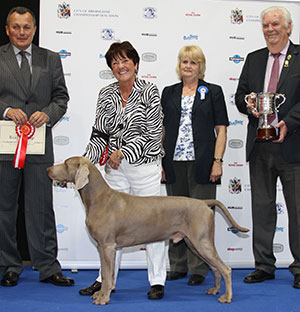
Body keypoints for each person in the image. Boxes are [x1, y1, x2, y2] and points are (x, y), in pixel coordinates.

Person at [81, 41, 167, 300]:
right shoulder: (105, 94)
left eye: (125, 60)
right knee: (109, 229)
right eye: (115, 62)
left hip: (145, 168)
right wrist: (83, 164)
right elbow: (99, 135)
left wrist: (123, 152)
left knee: (154, 224)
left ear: (136, 64)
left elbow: (153, 133)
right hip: (114, 172)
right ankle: (105, 280)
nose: (120, 66)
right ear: (111, 68)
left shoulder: (149, 90)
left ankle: (157, 280)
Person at [0, 7, 73, 287]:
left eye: (27, 27)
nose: (21, 32)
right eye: (16, 27)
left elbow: (61, 98)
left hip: (39, 143)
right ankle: (8, 265)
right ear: (8, 29)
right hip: (6, 144)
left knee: (42, 206)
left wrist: (48, 114)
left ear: (34, 29)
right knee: (5, 207)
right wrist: (7, 111)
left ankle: (47, 266)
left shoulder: (51, 59)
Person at [235, 6, 300, 289]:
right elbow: (239, 96)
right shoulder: (253, 59)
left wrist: (289, 122)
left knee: (297, 210)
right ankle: (263, 265)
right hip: (259, 146)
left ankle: (299, 267)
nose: (270, 29)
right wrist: (248, 105)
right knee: (261, 209)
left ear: (288, 27)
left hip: (292, 147)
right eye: (265, 25)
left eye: (275, 24)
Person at [161, 45, 229, 285]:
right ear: (179, 66)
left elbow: (221, 129)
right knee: (173, 217)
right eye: (184, 62)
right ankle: (177, 265)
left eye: (193, 62)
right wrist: (160, 160)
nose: (188, 66)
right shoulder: (169, 92)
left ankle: (198, 269)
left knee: (199, 219)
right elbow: (164, 129)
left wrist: (217, 161)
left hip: (203, 163)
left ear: (201, 66)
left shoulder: (213, 92)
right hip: (173, 162)